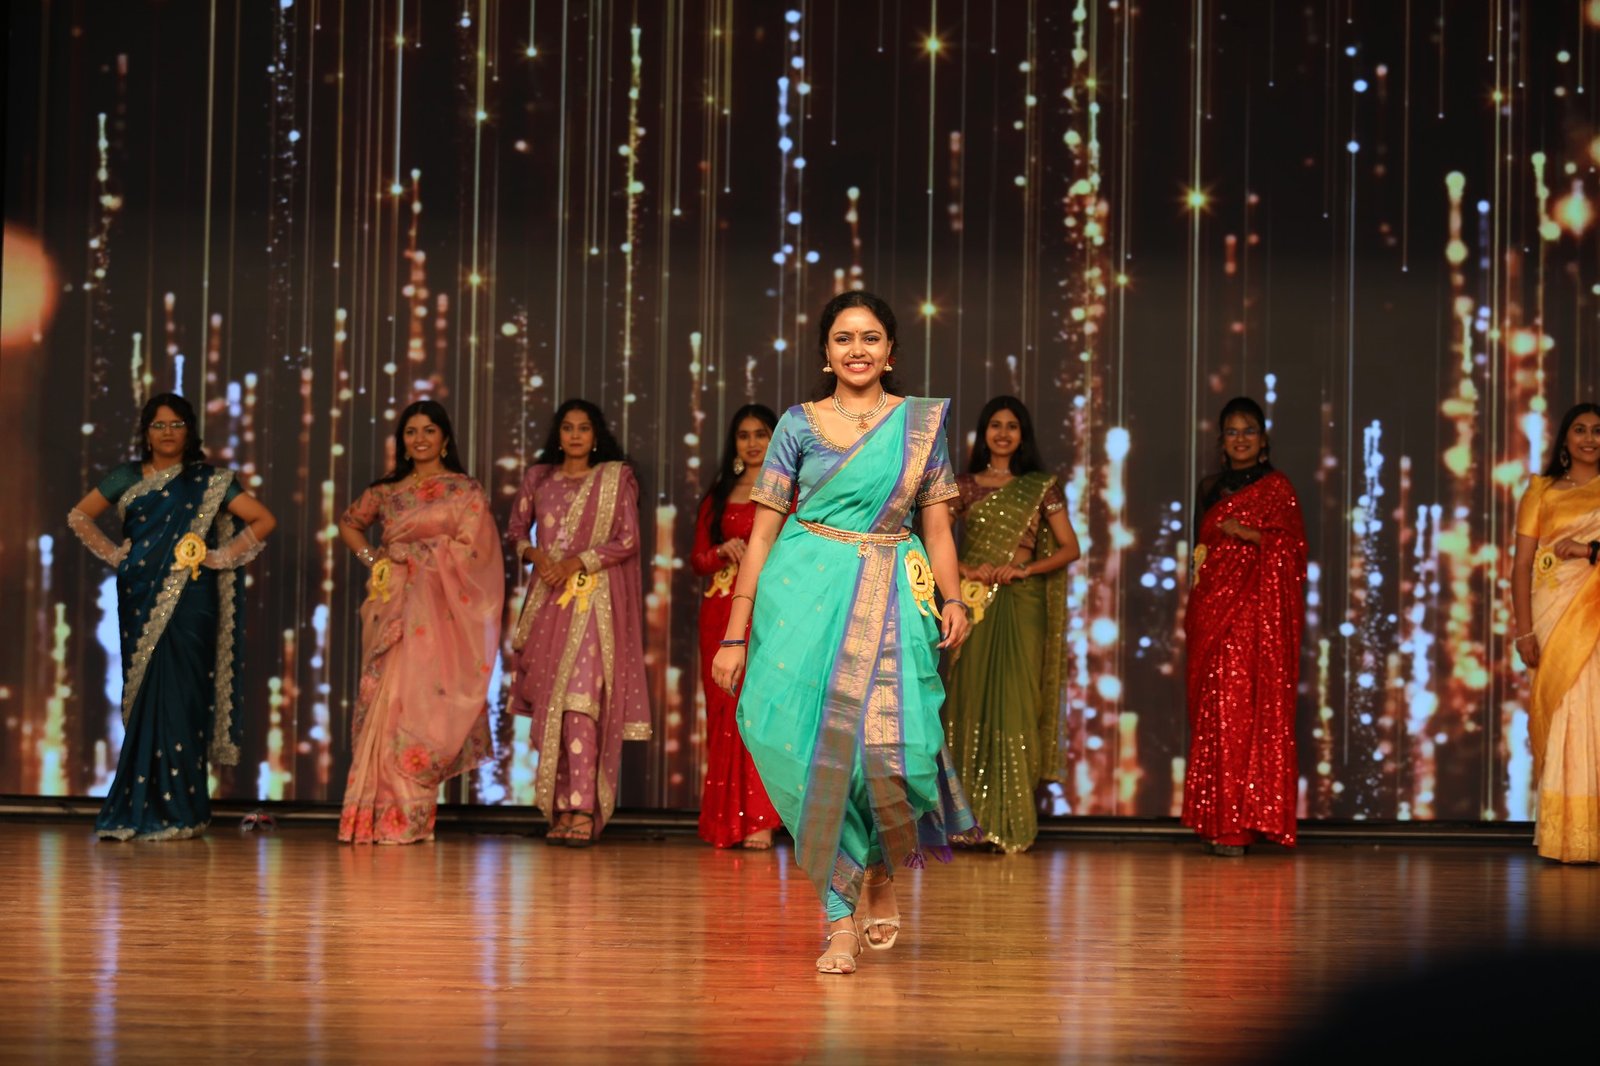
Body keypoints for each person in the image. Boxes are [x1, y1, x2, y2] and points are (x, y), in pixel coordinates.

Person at [710, 291, 975, 976]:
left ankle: (879, 868)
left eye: (871, 337)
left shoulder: (919, 426)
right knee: (807, 753)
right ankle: (837, 921)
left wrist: (954, 598)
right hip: (804, 593)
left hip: (894, 593)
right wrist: (736, 633)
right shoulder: (797, 424)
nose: (857, 349)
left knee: (899, 756)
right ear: (826, 354)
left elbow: (938, 525)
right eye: (843, 338)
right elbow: (762, 534)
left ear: (890, 351)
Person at [67, 392, 276, 840]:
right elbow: (80, 516)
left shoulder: (209, 480)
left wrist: (220, 557)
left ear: (189, 431)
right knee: (147, 696)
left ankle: (182, 811)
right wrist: (117, 555)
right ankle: (136, 808)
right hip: (140, 594)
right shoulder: (127, 476)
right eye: (158, 424)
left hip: (192, 600)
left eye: (176, 424)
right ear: (146, 432)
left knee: (183, 698)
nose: (167, 432)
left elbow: (262, 519)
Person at [337, 399, 502, 844]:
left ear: (445, 438)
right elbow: (350, 524)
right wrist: (375, 560)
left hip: (440, 615)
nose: (420, 439)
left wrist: (421, 555)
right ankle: (369, 816)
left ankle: (407, 819)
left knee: (421, 706)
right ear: (403, 441)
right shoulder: (386, 491)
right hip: (391, 606)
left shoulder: (464, 491)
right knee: (386, 703)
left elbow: (478, 553)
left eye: (429, 430)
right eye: (411, 432)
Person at [505, 399, 651, 847]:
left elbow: (627, 539)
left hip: (594, 603)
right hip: (550, 604)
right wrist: (538, 556)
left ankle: (583, 807)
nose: (574, 435)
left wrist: (575, 563)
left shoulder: (615, 478)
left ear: (595, 435)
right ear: (558, 434)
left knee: (581, 703)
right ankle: (561, 809)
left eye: (583, 428)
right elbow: (516, 533)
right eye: (567, 428)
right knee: (554, 707)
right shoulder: (538, 479)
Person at [943, 396, 1081, 853]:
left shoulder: (1040, 487)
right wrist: (967, 569)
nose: (1003, 433)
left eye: (1012, 426)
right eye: (995, 425)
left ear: (1023, 436)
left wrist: (1024, 569)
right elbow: (934, 538)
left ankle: (1013, 824)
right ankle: (968, 822)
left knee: (1019, 702)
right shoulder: (963, 486)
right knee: (970, 699)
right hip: (976, 604)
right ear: (984, 433)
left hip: (1023, 604)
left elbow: (1069, 548)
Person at [1182, 395, 1306, 856]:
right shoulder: (1209, 487)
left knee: (1244, 711)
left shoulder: (1277, 488)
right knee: (1215, 712)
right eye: (1232, 432)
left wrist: (1251, 535)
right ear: (1221, 440)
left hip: (1254, 618)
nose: (1241, 439)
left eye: (1249, 430)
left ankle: (1243, 825)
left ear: (1263, 439)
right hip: (1211, 608)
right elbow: (1200, 552)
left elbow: (1293, 552)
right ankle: (1215, 819)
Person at [691, 404, 784, 849]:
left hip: (768, 609)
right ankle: (726, 820)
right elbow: (698, 559)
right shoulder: (719, 495)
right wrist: (721, 552)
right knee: (724, 710)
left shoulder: (788, 492)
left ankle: (760, 819)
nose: (752, 443)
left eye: (761, 434)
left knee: (759, 708)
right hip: (719, 610)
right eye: (744, 435)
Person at [1511, 401, 1600, 863]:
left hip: (1595, 614)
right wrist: (1524, 633)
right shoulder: (1541, 492)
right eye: (1580, 429)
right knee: (1565, 713)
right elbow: (1521, 566)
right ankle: (1568, 837)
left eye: (1597, 431)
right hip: (1553, 614)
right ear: (1565, 438)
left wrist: (1589, 550)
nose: (1589, 438)